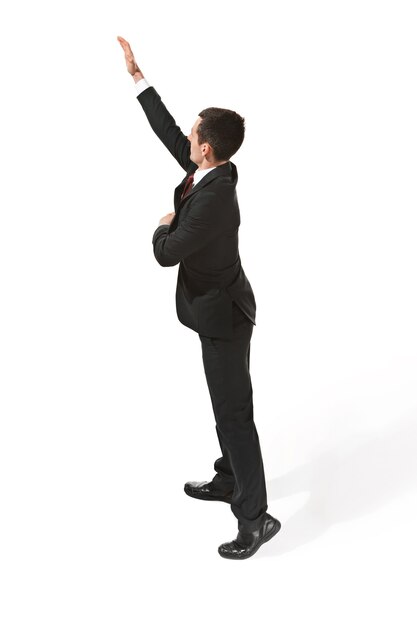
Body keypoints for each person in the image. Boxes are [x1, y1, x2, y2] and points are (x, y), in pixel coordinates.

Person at [117, 36, 281, 559]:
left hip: (225, 318)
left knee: (234, 414)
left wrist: (161, 226)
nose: (186, 138)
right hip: (216, 311)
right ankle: (230, 478)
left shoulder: (214, 199)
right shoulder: (208, 172)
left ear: (206, 148)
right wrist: (139, 78)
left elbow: (168, 253)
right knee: (226, 406)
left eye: (193, 135)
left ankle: (255, 519)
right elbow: (169, 132)